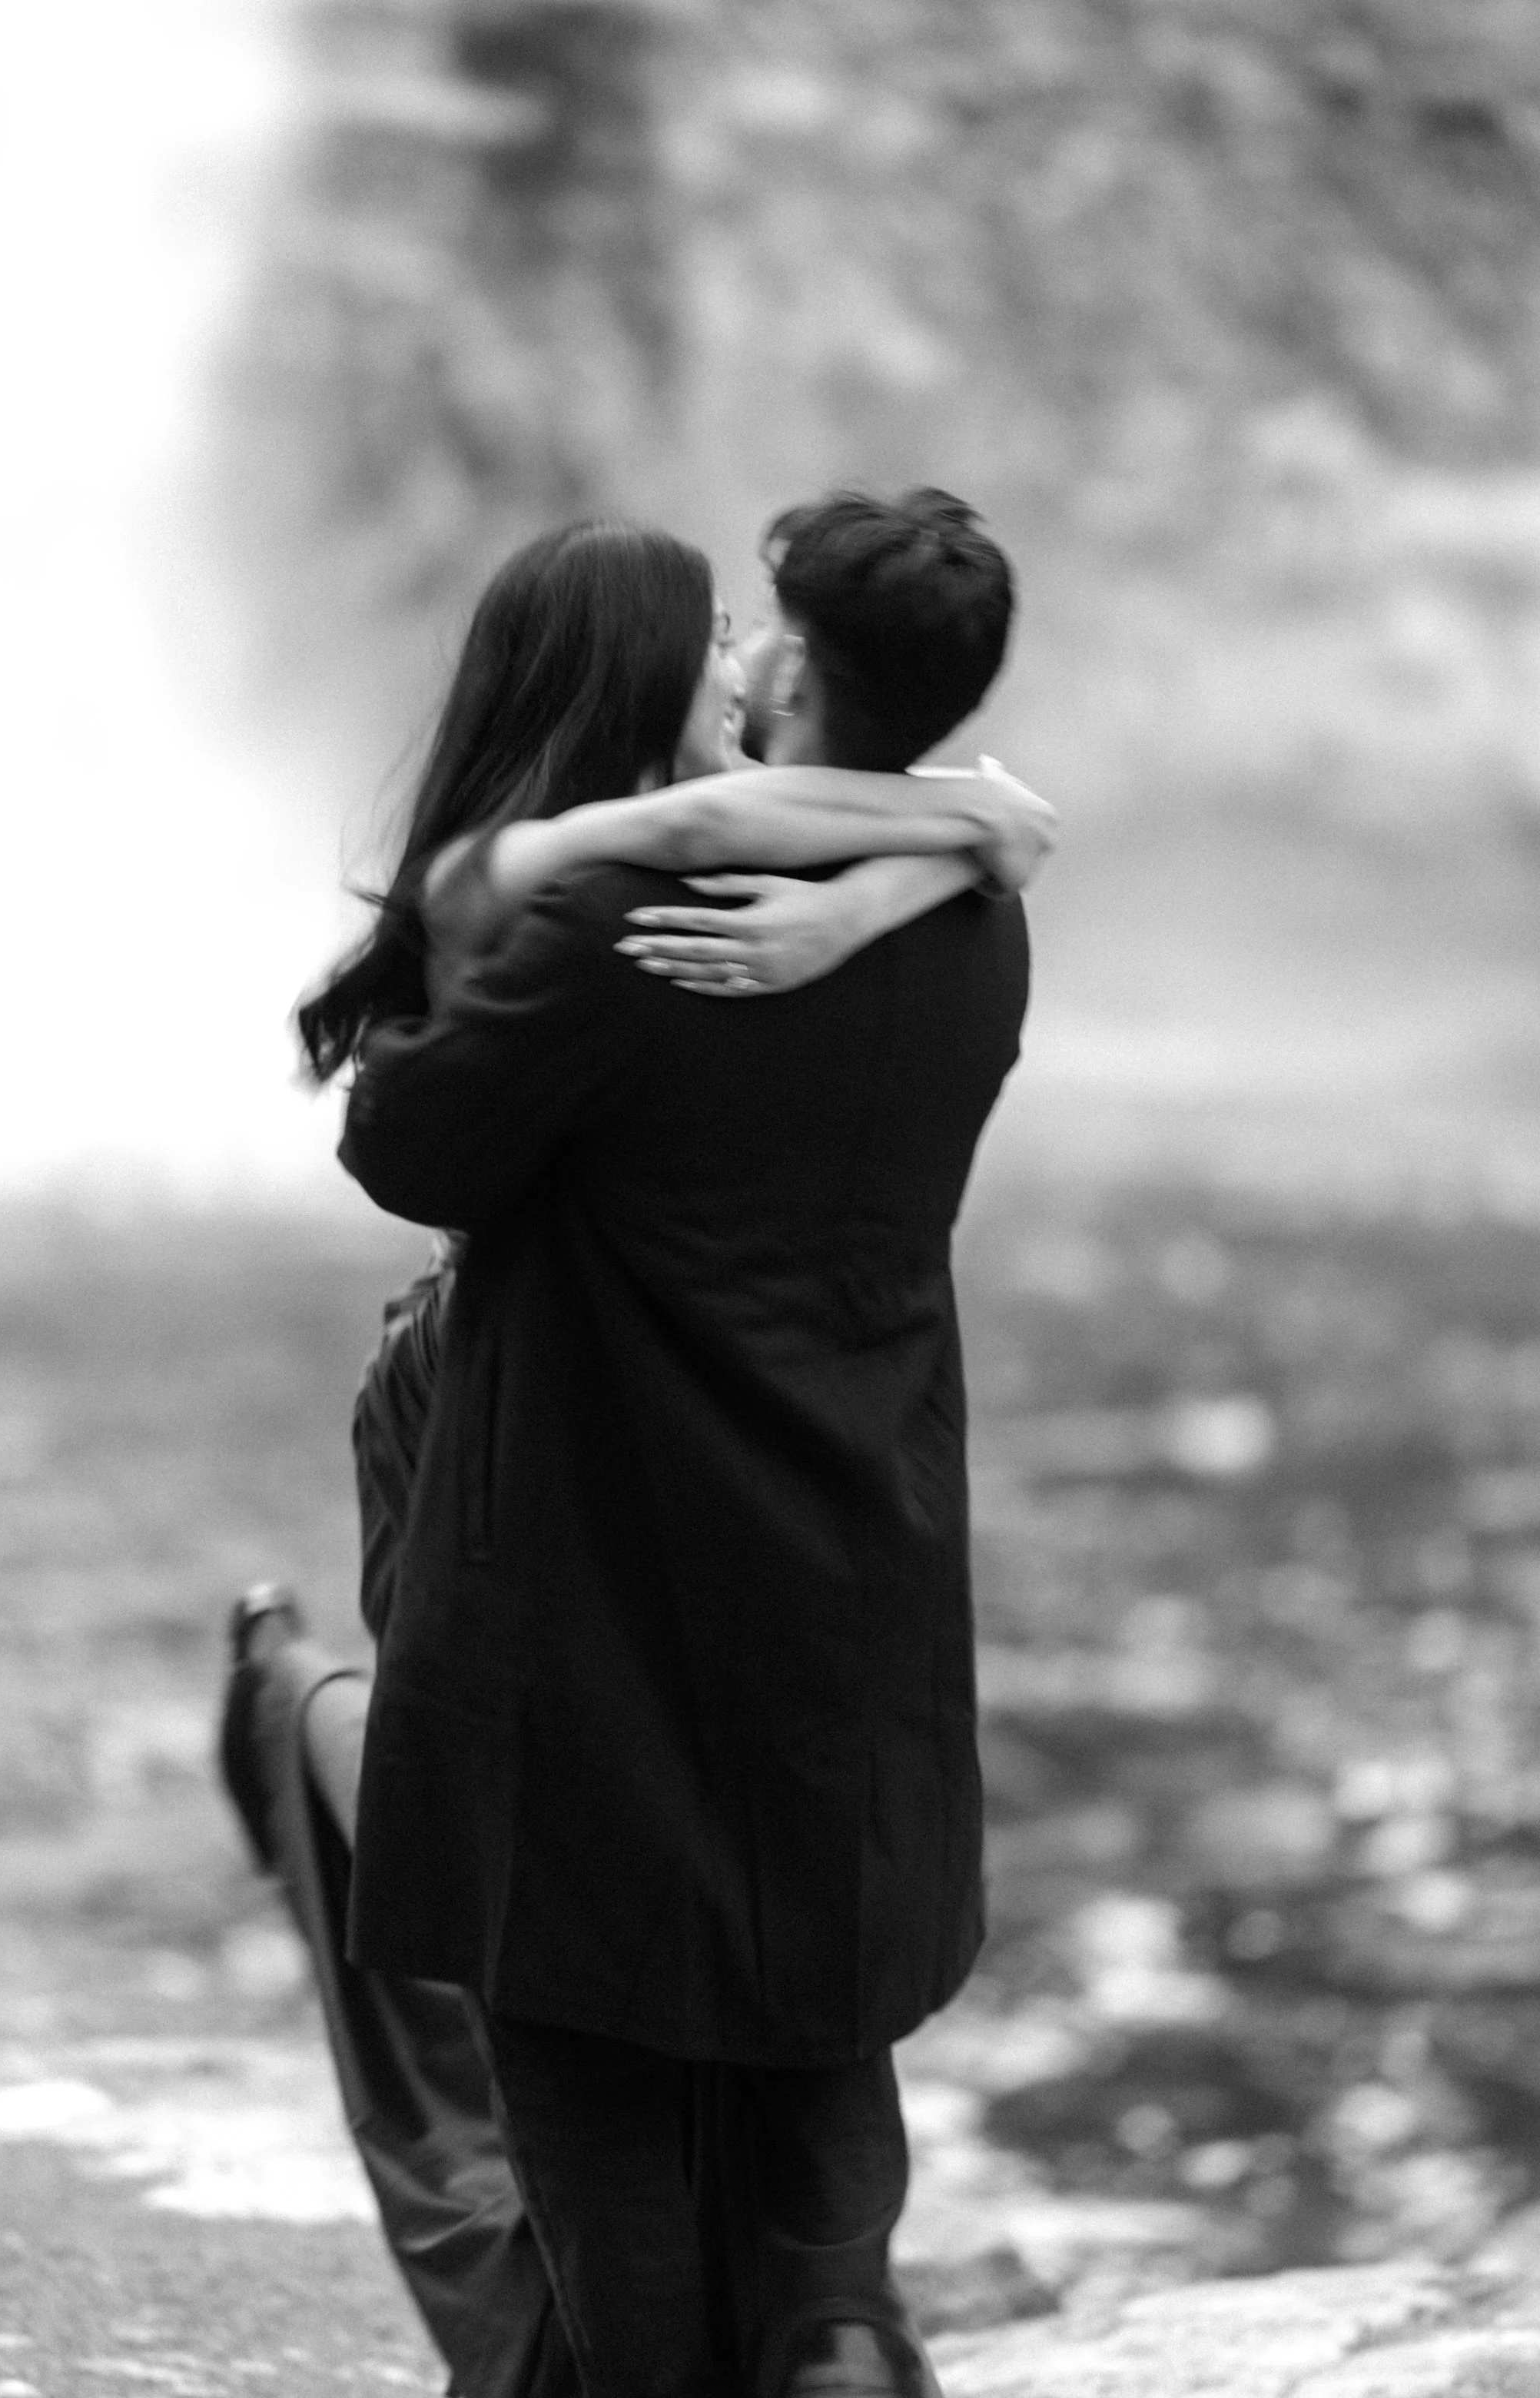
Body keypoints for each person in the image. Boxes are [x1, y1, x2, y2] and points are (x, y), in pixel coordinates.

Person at [221, 514, 1051, 2398]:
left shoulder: (620, 930)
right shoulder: (978, 926)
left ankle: (284, 1708)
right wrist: (929, 848)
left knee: (581, 2056)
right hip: (853, 1547)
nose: (730, 644)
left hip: (596, 1565)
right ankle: (836, 2331)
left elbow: (408, 1154)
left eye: (754, 624)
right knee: (810, 2023)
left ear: (794, 677)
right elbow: (983, 824)